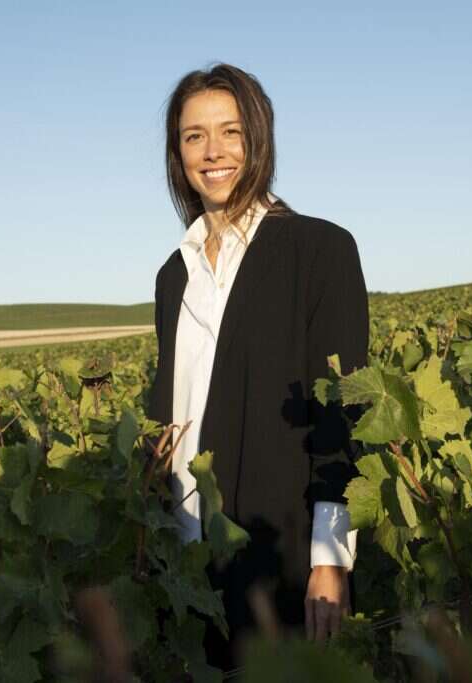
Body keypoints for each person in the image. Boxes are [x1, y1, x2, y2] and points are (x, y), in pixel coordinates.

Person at [145, 63, 369, 671]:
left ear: (259, 140)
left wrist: (330, 558)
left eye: (231, 132)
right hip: (188, 561)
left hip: (283, 555)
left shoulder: (319, 250)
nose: (212, 152)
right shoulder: (174, 275)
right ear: (177, 152)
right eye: (194, 136)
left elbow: (343, 411)